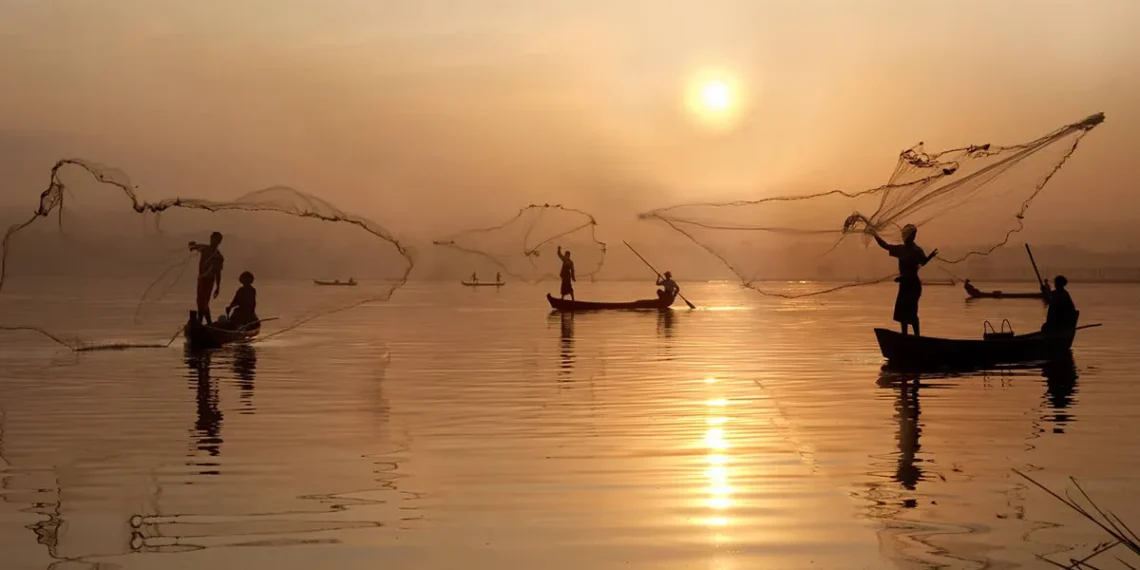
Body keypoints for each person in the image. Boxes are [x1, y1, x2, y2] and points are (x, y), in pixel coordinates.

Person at [871, 224, 938, 336]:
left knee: (911, 312)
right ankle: (904, 336)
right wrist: (874, 235)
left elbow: (923, 262)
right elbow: (885, 245)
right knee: (902, 313)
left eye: (911, 235)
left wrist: (930, 256)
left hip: (912, 285)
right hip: (904, 284)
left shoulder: (915, 250)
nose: (909, 237)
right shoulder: (901, 250)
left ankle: (917, 337)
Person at [189, 232, 224, 324]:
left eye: (217, 240)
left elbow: (218, 273)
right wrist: (192, 245)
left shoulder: (218, 256)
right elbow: (193, 246)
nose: (215, 242)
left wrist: (218, 287)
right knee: (200, 301)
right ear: (211, 239)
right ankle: (208, 323)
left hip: (209, 280)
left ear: (219, 242)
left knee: (203, 302)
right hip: (201, 279)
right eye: (213, 239)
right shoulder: (204, 248)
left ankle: (201, 322)